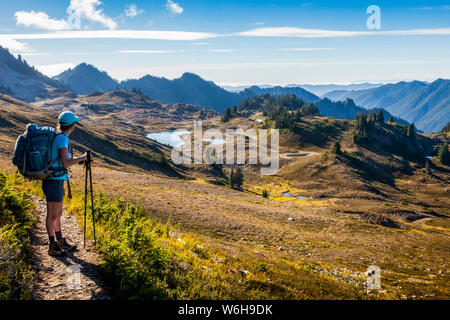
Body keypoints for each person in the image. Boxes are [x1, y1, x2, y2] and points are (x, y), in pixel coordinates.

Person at [42, 111, 93, 257]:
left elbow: (63, 161)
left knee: (58, 214)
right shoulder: (62, 139)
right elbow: (65, 162)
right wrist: (83, 157)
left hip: (56, 180)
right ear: (72, 125)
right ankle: (52, 246)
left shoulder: (61, 137)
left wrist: (80, 159)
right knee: (52, 215)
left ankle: (60, 241)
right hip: (53, 181)